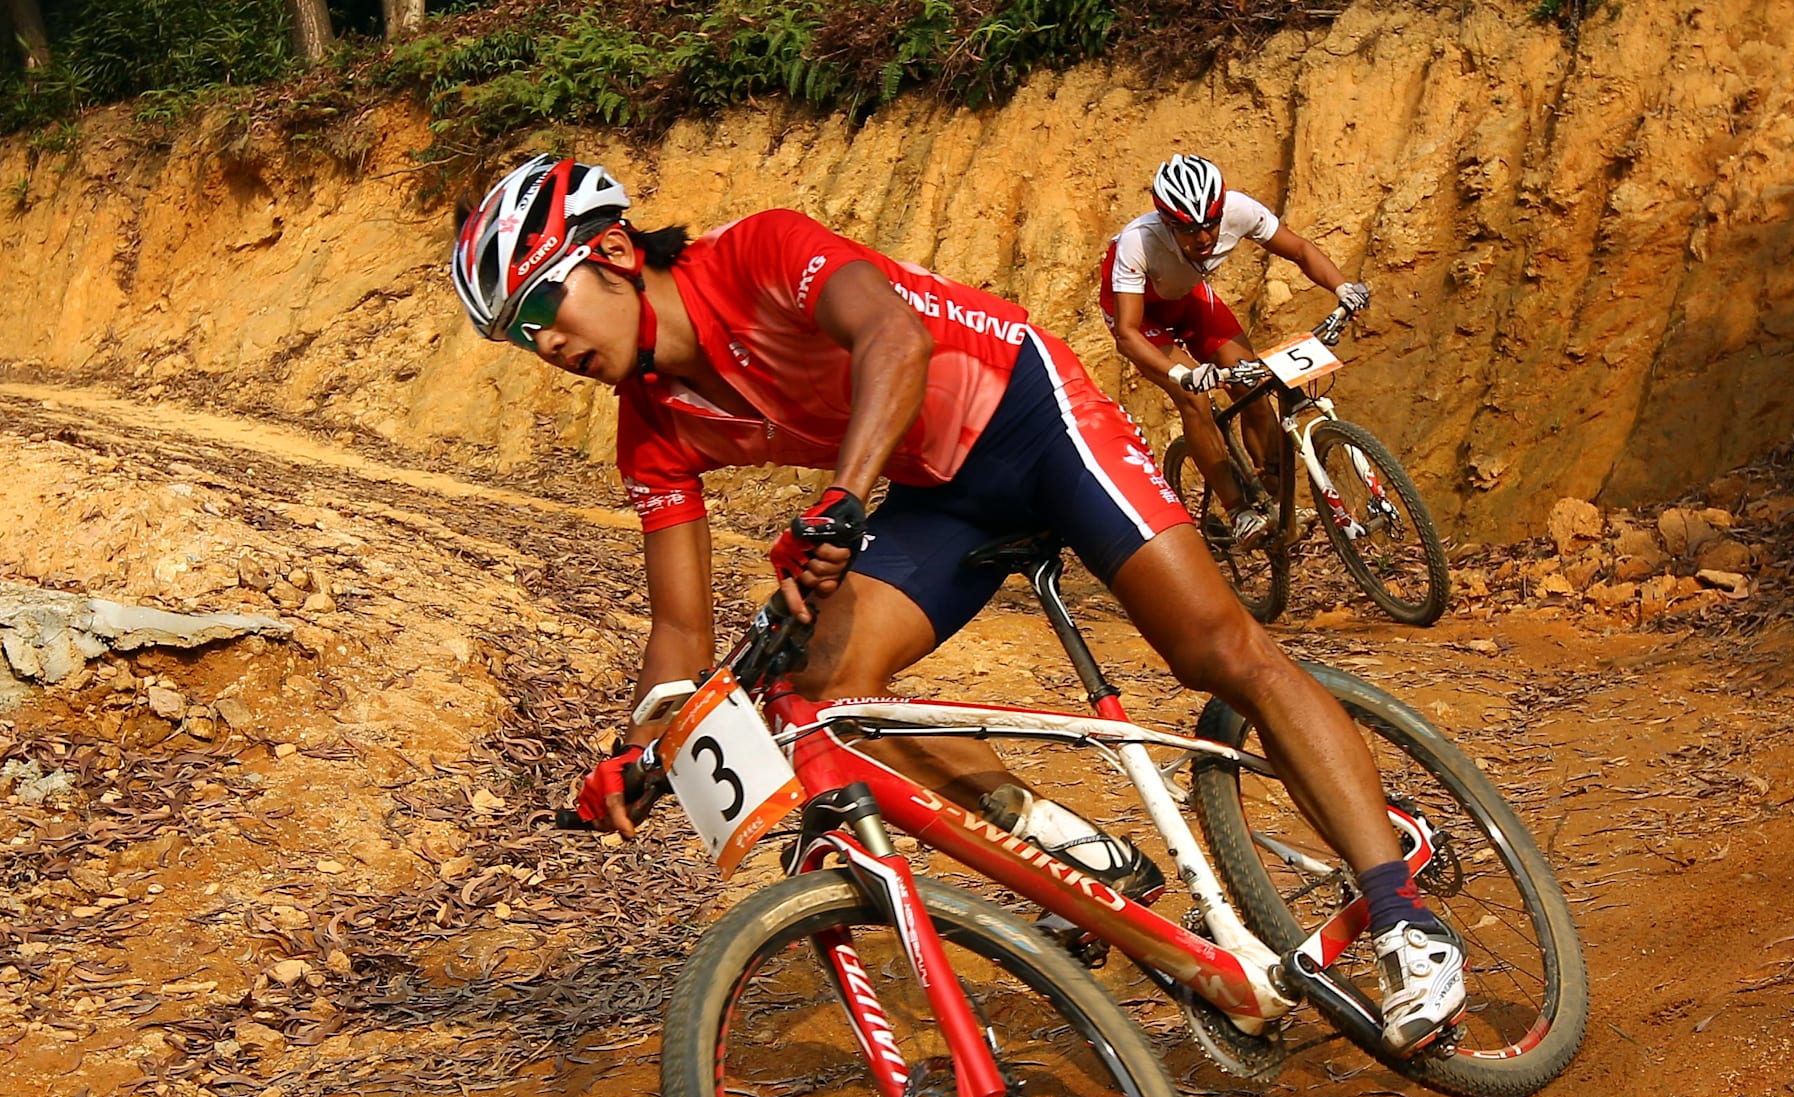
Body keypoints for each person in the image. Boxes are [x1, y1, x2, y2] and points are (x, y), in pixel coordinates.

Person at [448, 154, 1462, 1046]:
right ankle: (1072, 848)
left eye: (541, 308)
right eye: (516, 336)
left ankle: (1403, 915)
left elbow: (892, 338)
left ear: (617, 253)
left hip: (1030, 414)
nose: (542, 345)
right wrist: (645, 745)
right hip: (941, 490)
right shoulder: (651, 428)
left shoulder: (756, 254)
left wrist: (841, 501)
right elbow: (678, 626)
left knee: (1217, 653)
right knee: (818, 690)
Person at [1098, 153, 1370, 546]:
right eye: (1189, 230)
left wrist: (1343, 287)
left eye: (1210, 224)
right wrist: (1182, 373)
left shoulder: (1240, 209)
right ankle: (1238, 511)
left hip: (1187, 296)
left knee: (1253, 381)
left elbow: (1300, 250)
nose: (1204, 237)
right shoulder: (1138, 242)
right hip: (1139, 316)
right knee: (1194, 398)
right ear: (1167, 223)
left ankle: (1272, 500)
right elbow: (1126, 332)